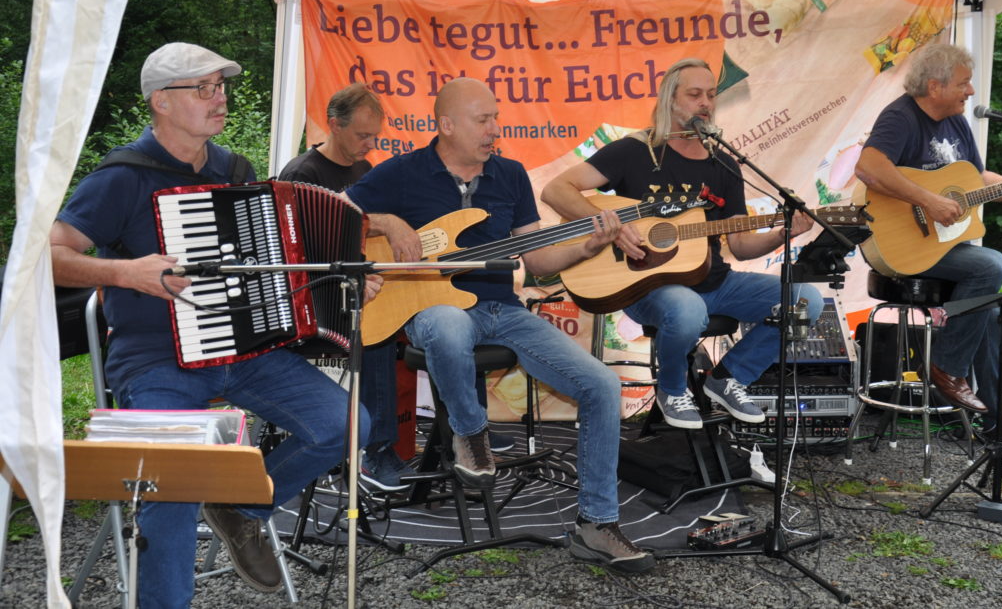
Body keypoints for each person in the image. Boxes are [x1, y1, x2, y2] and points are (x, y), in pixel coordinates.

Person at [51, 43, 367, 606]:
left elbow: (271, 266)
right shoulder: (121, 176)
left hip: (243, 352)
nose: (218, 98)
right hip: (155, 362)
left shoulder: (234, 170)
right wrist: (125, 272)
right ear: (161, 103)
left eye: (221, 87)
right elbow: (48, 255)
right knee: (170, 493)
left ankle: (240, 506)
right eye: (203, 88)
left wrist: (335, 283)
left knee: (346, 423)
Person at [345, 77, 654, 574]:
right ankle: (471, 434)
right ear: (446, 125)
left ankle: (597, 524)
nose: (495, 129)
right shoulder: (402, 174)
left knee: (599, 384)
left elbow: (537, 259)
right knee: (446, 325)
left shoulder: (509, 175)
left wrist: (587, 245)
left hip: (503, 312)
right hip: (433, 309)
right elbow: (335, 210)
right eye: (483, 120)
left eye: (496, 118)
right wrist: (386, 223)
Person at [542, 58, 827, 430]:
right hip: (648, 286)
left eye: (711, 95)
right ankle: (673, 388)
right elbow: (555, 189)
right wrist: (610, 226)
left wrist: (783, 233)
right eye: (695, 94)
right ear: (669, 100)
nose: (705, 103)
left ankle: (729, 377)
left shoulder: (723, 165)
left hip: (715, 281)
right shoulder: (634, 151)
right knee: (687, 309)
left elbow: (739, 245)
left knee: (808, 301)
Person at [280, 83, 512, 493]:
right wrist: (386, 222)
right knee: (377, 338)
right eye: (362, 136)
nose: (371, 144)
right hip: (320, 296)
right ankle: (379, 448)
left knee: (454, 317)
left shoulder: (366, 172)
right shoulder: (303, 173)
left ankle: (465, 436)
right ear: (334, 125)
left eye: (375, 136)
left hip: (371, 288)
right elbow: (297, 244)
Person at [853, 42, 1002, 445]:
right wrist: (927, 199)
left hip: (942, 246)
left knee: (989, 315)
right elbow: (868, 166)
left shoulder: (956, 122)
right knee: (991, 266)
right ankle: (945, 366)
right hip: (900, 247)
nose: (970, 92)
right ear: (934, 87)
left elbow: (975, 182)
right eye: (963, 83)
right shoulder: (901, 116)